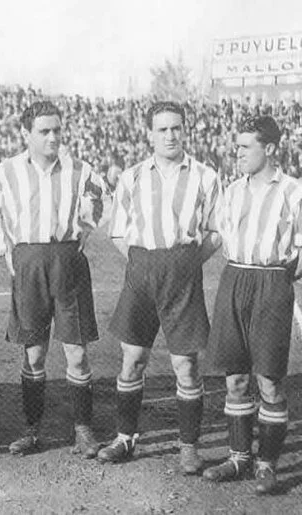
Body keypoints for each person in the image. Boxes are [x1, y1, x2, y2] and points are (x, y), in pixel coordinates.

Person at [0, 100, 106, 458]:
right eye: (44, 131)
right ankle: (31, 429)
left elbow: (98, 199)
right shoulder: (7, 171)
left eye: (57, 130)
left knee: (76, 352)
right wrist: (3, 251)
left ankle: (83, 429)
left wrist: (83, 231)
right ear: (26, 133)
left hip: (68, 261)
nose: (53, 137)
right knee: (34, 353)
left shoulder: (80, 169)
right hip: (29, 263)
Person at [99, 101, 222, 475]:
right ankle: (125, 437)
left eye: (176, 128)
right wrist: (143, 261)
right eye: (162, 129)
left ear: (185, 130)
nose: (170, 135)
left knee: (185, 363)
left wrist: (185, 262)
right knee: (132, 358)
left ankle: (189, 446)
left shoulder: (205, 176)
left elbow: (216, 232)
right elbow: (118, 232)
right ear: (149, 134)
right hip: (142, 271)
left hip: (182, 271)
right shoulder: (132, 176)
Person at [201, 116, 301, 494]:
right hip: (235, 279)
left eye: (246, 147)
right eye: (237, 146)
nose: (238, 153)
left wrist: (279, 280)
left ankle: (267, 465)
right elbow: (220, 237)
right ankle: (239, 457)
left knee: (269, 380)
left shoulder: (293, 192)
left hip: (272, 282)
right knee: (235, 377)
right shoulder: (231, 191)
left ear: (270, 148)